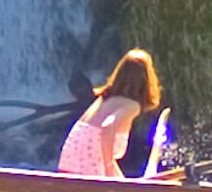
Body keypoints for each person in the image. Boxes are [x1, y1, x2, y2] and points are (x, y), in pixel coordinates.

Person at [57, 49, 175, 179]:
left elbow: (104, 151)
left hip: (68, 164)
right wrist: (108, 171)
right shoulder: (132, 105)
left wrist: (121, 181)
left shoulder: (104, 99)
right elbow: (108, 126)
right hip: (87, 170)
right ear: (147, 80)